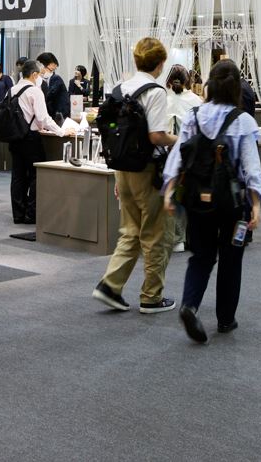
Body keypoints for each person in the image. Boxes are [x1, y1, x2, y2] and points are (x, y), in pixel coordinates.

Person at [162, 59, 261, 342]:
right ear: (236, 88)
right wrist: (256, 205)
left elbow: (178, 157)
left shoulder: (194, 116)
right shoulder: (242, 120)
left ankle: (189, 305)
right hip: (232, 204)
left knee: (201, 256)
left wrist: (170, 191)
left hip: (197, 199)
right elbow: (251, 168)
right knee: (231, 258)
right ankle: (225, 319)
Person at [92, 37, 177, 315]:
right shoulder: (155, 92)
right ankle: (151, 296)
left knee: (130, 230)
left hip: (122, 168)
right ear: (161, 63)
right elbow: (156, 136)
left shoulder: (121, 88)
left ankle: (110, 285)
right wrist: (179, 139)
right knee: (155, 234)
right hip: (146, 170)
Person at [8, 59, 61, 224]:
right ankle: (32, 214)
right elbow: (43, 118)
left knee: (18, 176)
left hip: (15, 137)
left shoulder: (12, 90)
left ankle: (18, 214)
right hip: (31, 138)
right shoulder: (35, 91)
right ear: (34, 74)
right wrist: (61, 131)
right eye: (41, 74)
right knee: (36, 175)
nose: (42, 78)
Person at [166, 65, 201, 132]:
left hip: (171, 138)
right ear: (187, 80)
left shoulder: (165, 102)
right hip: (193, 138)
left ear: (169, 82)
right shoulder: (197, 100)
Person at [37, 52, 70, 123]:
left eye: (41, 65)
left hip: (59, 115)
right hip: (53, 114)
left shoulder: (56, 78)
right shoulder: (44, 79)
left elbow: (48, 95)